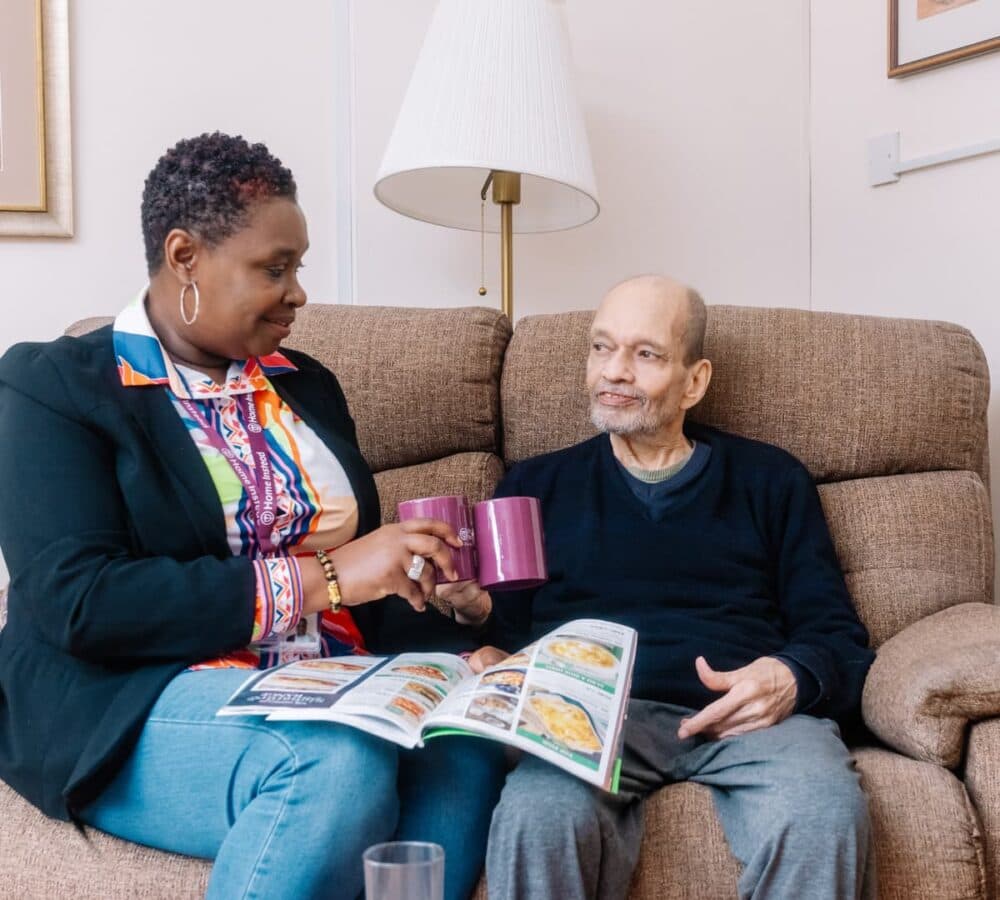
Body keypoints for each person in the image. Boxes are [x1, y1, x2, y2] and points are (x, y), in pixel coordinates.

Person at [0, 132, 500, 900]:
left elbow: (370, 593)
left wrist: (453, 635)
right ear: (184, 256)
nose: (299, 291)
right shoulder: (56, 388)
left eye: (297, 266)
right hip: (136, 694)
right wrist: (328, 577)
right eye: (276, 268)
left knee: (462, 741)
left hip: (331, 678)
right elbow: (81, 603)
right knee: (333, 757)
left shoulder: (307, 386)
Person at [466, 275, 877, 899]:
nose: (615, 372)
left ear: (695, 381)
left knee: (822, 812)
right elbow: (503, 634)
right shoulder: (535, 487)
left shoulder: (770, 480)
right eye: (601, 348)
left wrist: (790, 676)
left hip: (747, 721)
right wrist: (476, 628)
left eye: (646, 354)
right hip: (590, 719)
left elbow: (837, 633)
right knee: (536, 817)